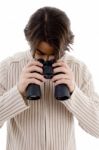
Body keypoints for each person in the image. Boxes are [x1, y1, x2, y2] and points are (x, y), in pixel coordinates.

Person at [0, 6, 99, 150]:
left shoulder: (78, 69)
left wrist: (74, 93)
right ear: (30, 42)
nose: (46, 60)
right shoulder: (8, 68)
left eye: (54, 55)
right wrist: (18, 92)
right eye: (39, 54)